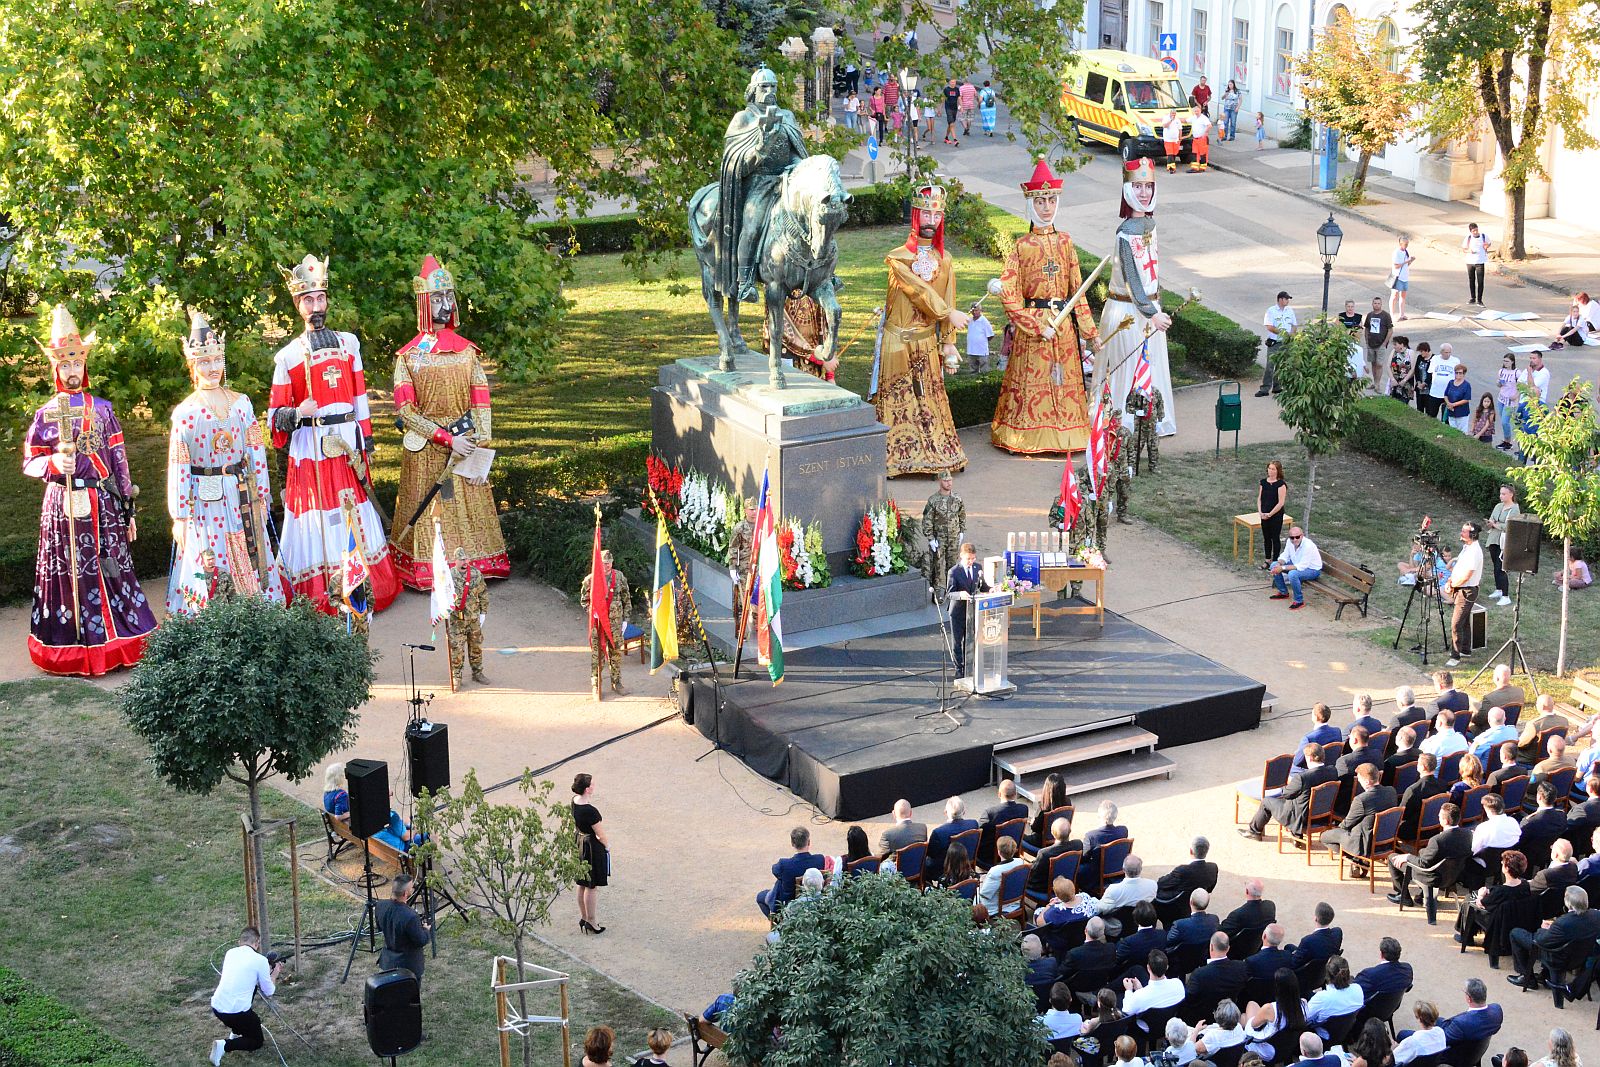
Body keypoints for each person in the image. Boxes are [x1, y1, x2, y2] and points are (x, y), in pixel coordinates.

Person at [24, 306, 159, 675]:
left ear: (84, 366)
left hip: (103, 504)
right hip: (62, 505)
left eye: (76, 365)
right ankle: (71, 648)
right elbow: (30, 461)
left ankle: (119, 642)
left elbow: (119, 461)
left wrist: (128, 508)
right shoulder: (45, 414)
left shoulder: (103, 410)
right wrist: (53, 464)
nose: (71, 372)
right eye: (64, 365)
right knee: (70, 572)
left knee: (110, 567)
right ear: (56, 368)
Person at [268, 255, 401, 614]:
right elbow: (273, 418)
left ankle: (365, 587)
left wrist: (366, 440)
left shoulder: (349, 345)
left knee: (352, 510)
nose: (316, 307)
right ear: (298, 305)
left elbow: (359, 397)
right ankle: (323, 591)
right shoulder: (288, 357)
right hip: (311, 447)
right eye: (308, 300)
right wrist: (298, 412)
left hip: (346, 445)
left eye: (321, 299)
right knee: (319, 513)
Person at [390, 255, 507, 590]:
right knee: (432, 507)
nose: (445, 304)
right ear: (424, 303)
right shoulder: (409, 357)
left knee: (464, 504)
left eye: (448, 297)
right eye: (437, 298)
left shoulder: (467, 352)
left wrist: (480, 440)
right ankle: (431, 568)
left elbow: (480, 398)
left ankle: (474, 565)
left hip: (466, 445)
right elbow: (406, 413)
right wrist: (445, 438)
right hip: (427, 451)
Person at [166, 311, 288, 616]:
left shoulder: (241, 402)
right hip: (204, 496)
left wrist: (262, 493)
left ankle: (253, 608)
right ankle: (213, 612)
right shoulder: (185, 412)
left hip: (239, 490)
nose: (212, 368)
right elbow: (179, 464)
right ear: (192, 366)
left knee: (249, 546)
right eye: (204, 362)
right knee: (211, 552)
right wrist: (179, 515)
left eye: (216, 360)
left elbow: (256, 450)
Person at [993, 160, 1099, 454]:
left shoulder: (1066, 242)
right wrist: (1034, 325)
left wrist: (1090, 332)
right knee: (1033, 383)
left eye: (1051, 200)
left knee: (1063, 380)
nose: (1046, 207)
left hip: (1063, 326)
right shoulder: (1021, 246)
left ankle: (1069, 433)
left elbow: (1078, 291)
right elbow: (1008, 293)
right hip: (1035, 328)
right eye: (1040, 201)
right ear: (1031, 204)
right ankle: (1025, 436)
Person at [873, 183, 968, 475]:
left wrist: (949, 343)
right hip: (897, 342)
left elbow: (949, 293)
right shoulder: (898, 258)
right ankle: (894, 458)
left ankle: (934, 452)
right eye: (926, 214)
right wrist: (947, 313)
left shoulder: (946, 260)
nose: (931, 221)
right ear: (915, 215)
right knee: (896, 400)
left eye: (937, 215)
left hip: (926, 343)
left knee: (929, 398)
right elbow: (917, 290)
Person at [717, 67, 808, 303]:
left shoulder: (786, 116)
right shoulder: (743, 119)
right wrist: (762, 147)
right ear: (753, 91)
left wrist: (795, 166)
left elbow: (796, 152)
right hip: (758, 184)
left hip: (787, 180)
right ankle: (745, 281)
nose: (769, 92)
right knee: (753, 224)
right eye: (764, 87)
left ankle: (822, 272)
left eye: (773, 87)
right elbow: (736, 165)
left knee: (814, 215)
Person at [1103, 157, 1177, 434]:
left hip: (1151, 308)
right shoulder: (1124, 233)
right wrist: (1152, 312)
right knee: (1130, 366)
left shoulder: (1152, 225)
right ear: (1127, 189)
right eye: (1138, 186)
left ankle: (1153, 418)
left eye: (1148, 186)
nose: (1144, 192)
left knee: (1152, 364)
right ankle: (1125, 423)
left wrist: (1157, 305)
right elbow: (1132, 279)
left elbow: (1153, 272)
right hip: (1129, 312)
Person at [208, 926, 282, 1064]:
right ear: (257, 942)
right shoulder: (260, 960)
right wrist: (274, 974)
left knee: (248, 1015)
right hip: (235, 1012)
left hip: (217, 1006)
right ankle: (224, 1046)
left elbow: (243, 978)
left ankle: (236, 1033)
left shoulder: (230, 953)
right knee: (256, 1041)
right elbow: (269, 991)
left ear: (239, 941)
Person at [1509, 885, 1600, 990]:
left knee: (1515, 933)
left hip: (1557, 958)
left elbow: (1541, 941)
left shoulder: (1562, 922)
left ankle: (1526, 977)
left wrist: (1543, 929)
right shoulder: (1596, 915)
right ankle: (1545, 975)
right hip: (1581, 956)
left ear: (1567, 903)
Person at [1241, 743, 1338, 840]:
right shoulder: (1333, 771)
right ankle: (1295, 834)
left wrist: (1288, 786)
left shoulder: (1302, 778)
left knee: (1267, 801)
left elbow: (1286, 794)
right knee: (1299, 800)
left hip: (1301, 819)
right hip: (1324, 817)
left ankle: (1254, 831)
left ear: (1310, 758)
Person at [1389, 801, 1472, 905]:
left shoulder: (1437, 840)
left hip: (1433, 877)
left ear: (1445, 821)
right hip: (1453, 875)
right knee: (1422, 851)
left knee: (1392, 858)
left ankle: (1403, 895)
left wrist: (1408, 857)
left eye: (1439, 816)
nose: (1438, 817)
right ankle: (1423, 895)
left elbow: (1423, 864)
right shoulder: (1468, 834)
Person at [1322, 765, 1397, 867]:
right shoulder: (1391, 791)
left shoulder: (1361, 799)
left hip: (1363, 843)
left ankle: (1356, 859)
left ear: (1367, 781)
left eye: (1359, 778)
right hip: (1386, 840)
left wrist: (1339, 830)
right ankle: (1358, 859)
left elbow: (1347, 823)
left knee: (1325, 836)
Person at [580, 549, 632, 699]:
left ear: (612, 562)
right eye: (604, 563)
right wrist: (592, 611)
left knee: (615, 653)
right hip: (598, 624)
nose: (607, 566)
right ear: (598, 564)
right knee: (597, 655)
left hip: (615, 624)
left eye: (609, 563)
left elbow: (626, 598)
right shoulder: (590, 580)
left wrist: (625, 620)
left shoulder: (619, 577)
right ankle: (596, 684)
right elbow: (584, 600)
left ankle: (617, 683)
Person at [1456, 848, 1529, 947]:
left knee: (1469, 900)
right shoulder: (1525, 885)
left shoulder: (1500, 892)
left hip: (1498, 921)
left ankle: (1466, 937)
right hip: (1518, 919)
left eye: (1502, 863)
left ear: (1506, 868)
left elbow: (1481, 904)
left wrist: (1481, 895)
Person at [762, 291, 835, 381]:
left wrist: (829, 373)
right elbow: (782, 329)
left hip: (814, 367)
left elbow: (824, 326)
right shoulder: (781, 288)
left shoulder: (815, 286)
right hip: (787, 361)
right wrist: (820, 357)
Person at [756, 825, 825, 919]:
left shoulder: (784, 864)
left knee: (761, 896)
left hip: (789, 901)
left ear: (792, 843)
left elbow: (775, 870)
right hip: (813, 899)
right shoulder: (820, 859)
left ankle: (779, 923)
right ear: (809, 842)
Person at [570, 773, 610, 933]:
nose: (594, 786)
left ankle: (584, 917)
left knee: (582, 883)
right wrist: (607, 846)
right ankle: (592, 922)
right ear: (587, 789)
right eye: (592, 784)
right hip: (591, 847)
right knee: (591, 886)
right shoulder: (590, 811)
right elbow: (600, 834)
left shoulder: (574, 801)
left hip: (579, 841)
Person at [376, 871, 433, 984]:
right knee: (409, 998)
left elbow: (380, 927)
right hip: (408, 966)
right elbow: (421, 940)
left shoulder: (380, 905)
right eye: (412, 887)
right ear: (406, 893)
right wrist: (426, 930)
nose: (413, 889)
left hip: (388, 962)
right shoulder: (410, 916)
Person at [1241, 967, 1305, 1059]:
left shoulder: (1270, 1009)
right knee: (1248, 1010)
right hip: (1287, 1047)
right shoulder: (1303, 1004)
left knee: (1246, 1013)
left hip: (1267, 1051)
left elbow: (1252, 1027)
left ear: (1278, 988)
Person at [947, 542, 988, 676]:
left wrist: (991, 589)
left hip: (972, 610)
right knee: (957, 642)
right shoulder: (954, 571)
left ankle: (970, 666)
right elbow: (949, 593)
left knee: (970, 639)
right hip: (958, 612)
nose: (971, 561)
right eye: (968, 559)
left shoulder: (977, 568)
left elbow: (982, 586)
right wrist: (960, 595)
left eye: (973, 558)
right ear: (961, 556)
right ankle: (959, 669)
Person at [1445, 521, 1483, 667]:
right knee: (1464, 621)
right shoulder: (1466, 548)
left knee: (1456, 624)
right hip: (1460, 588)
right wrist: (1450, 581)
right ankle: (1465, 649)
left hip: (1466, 591)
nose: (1461, 533)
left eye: (1464, 531)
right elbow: (1459, 568)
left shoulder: (1474, 551)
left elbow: (1467, 575)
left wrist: (1453, 584)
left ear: (1472, 534)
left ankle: (1455, 655)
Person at [1482, 485, 1522, 606]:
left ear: (1511, 495)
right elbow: (1492, 519)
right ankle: (1498, 589)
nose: (1501, 496)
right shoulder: (1498, 506)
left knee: (1501, 567)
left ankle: (1506, 595)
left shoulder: (1514, 509)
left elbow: (1510, 525)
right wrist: (1492, 524)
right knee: (1495, 565)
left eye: (1504, 494)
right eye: (1500, 494)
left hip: (1504, 541)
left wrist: (1496, 525)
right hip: (1494, 538)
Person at [1269, 526, 1322, 609]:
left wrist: (1282, 568)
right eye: (1292, 537)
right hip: (1297, 563)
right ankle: (1283, 593)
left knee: (1292, 574)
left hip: (1312, 570)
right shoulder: (1290, 542)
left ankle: (1299, 601)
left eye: (1297, 537)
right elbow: (1285, 555)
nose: (1294, 540)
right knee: (1273, 565)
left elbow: (1302, 566)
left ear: (1302, 535)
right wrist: (1279, 564)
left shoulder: (1308, 546)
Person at [926, 795, 979, 877]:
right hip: (968, 861)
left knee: (924, 862)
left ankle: (927, 887)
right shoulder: (974, 824)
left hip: (945, 869)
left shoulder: (939, 832)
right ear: (964, 812)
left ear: (945, 812)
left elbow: (931, 853)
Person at [1256, 292, 1296, 397]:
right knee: (1270, 365)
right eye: (1286, 299)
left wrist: (1292, 334)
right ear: (1280, 299)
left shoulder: (1290, 311)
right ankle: (1265, 388)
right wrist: (1283, 333)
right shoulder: (1271, 311)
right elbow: (1269, 326)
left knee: (1281, 366)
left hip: (1286, 342)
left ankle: (1277, 387)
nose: (1288, 301)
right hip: (1275, 342)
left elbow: (1294, 325)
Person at [1292, 705, 1343, 772]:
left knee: (1288, 767)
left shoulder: (1308, 738)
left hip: (1310, 771)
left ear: (1316, 717)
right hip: (1330, 767)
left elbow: (1297, 761)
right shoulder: (1337, 731)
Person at [1428, 342, 1461, 422]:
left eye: (1449, 352)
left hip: (1448, 393)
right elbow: (1430, 373)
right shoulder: (1435, 359)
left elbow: (1458, 376)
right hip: (1435, 392)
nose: (1448, 354)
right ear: (1441, 352)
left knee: (1446, 418)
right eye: (1446, 352)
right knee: (1431, 415)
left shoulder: (1455, 361)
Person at [1462, 224, 1492, 305]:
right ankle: (1472, 298)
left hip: (1480, 261)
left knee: (1480, 281)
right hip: (1470, 262)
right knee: (1472, 280)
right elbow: (1464, 249)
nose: (1475, 232)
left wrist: (1487, 246)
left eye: (1476, 230)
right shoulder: (1468, 238)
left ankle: (1479, 300)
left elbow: (1489, 243)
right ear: (1470, 231)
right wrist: (1469, 251)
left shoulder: (1483, 236)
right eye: (1473, 231)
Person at [1388, 235, 1415, 321]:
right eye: (1405, 244)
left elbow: (1406, 265)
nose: (1407, 246)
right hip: (1397, 277)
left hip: (1404, 277)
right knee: (1394, 296)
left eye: (1407, 244)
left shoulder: (1406, 252)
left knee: (1403, 296)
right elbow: (1396, 266)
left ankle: (1402, 314)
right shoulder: (1396, 252)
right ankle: (1392, 315)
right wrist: (1406, 261)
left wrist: (1410, 261)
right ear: (1400, 244)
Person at [965, 302, 995, 373]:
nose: (974, 312)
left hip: (981, 349)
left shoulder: (984, 321)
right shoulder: (970, 320)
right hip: (971, 348)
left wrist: (982, 341)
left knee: (983, 364)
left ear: (980, 310)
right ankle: (973, 375)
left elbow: (991, 335)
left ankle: (984, 377)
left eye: (976, 310)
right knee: (972, 364)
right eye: (973, 310)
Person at [1445, 363, 1474, 432]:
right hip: (1451, 412)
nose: (1458, 374)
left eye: (1460, 373)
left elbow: (1466, 399)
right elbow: (1445, 394)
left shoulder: (1466, 385)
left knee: (1462, 432)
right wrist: (1448, 403)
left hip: (1462, 413)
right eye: (1456, 373)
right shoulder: (1450, 382)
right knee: (1452, 431)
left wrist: (1453, 405)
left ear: (1464, 374)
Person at [1188, 104, 1212, 173]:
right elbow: (1185, 120)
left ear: (1200, 111)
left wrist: (1205, 133)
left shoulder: (1203, 118)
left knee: (1203, 153)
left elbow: (1209, 125)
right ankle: (1195, 168)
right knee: (1195, 153)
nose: (1196, 112)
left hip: (1202, 139)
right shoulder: (1193, 117)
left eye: (1197, 111)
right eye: (1195, 111)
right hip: (1196, 139)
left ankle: (1202, 167)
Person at [1162, 109, 1183, 173]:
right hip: (1168, 139)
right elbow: (1164, 126)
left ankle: (1172, 166)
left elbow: (1180, 129)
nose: (1173, 115)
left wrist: (1180, 137)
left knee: (1174, 153)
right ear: (1170, 113)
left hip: (1175, 140)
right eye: (1172, 113)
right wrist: (1171, 120)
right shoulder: (1166, 118)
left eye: (1174, 114)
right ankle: (1171, 168)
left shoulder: (1177, 120)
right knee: (1170, 153)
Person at [941, 77, 961, 145]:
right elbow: (943, 99)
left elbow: (959, 98)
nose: (953, 84)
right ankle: (955, 140)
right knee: (952, 124)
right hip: (948, 108)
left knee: (950, 124)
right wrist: (939, 109)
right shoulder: (946, 90)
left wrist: (961, 107)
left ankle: (946, 137)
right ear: (949, 83)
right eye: (952, 82)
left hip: (954, 108)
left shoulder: (957, 89)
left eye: (954, 82)